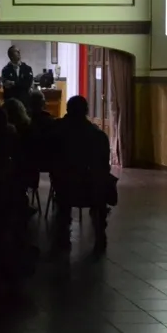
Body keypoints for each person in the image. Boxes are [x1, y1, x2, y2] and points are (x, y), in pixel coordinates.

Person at [50, 95, 115, 255]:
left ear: (67, 110)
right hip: (92, 188)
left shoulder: (57, 132)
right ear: (86, 111)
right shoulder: (98, 135)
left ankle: (62, 238)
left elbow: (51, 161)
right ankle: (100, 234)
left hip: (65, 187)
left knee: (62, 196)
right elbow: (104, 166)